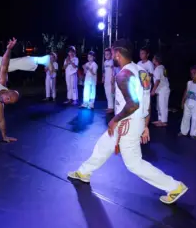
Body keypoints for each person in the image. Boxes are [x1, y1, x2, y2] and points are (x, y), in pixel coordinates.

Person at [67, 39, 188, 205]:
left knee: (134, 164)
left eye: (113, 53)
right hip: (135, 120)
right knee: (104, 145)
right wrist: (145, 125)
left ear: (117, 54)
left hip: (127, 122)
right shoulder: (141, 71)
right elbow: (145, 101)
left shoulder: (123, 74)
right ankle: (84, 172)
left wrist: (115, 120)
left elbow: (133, 103)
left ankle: (174, 186)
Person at [178, 66, 196, 139]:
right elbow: (186, 92)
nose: (192, 75)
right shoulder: (189, 83)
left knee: (195, 118)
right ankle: (183, 131)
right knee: (185, 117)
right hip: (188, 103)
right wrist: (182, 101)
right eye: (191, 73)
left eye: (194, 73)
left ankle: (194, 133)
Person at [151, 54, 170, 127]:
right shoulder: (161, 68)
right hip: (161, 90)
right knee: (159, 105)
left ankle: (164, 121)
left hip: (163, 90)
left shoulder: (159, 69)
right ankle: (160, 119)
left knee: (163, 105)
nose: (152, 59)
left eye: (153, 58)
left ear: (156, 60)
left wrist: (153, 90)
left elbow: (157, 81)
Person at [102, 48, 114, 113]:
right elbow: (104, 71)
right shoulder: (105, 62)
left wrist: (112, 79)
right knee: (107, 93)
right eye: (105, 54)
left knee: (110, 93)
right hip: (106, 80)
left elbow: (113, 71)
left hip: (110, 80)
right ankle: (109, 106)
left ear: (111, 54)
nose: (106, 56)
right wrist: (103, 77)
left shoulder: (112, 62)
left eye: (108, 54)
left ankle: (111, 107)